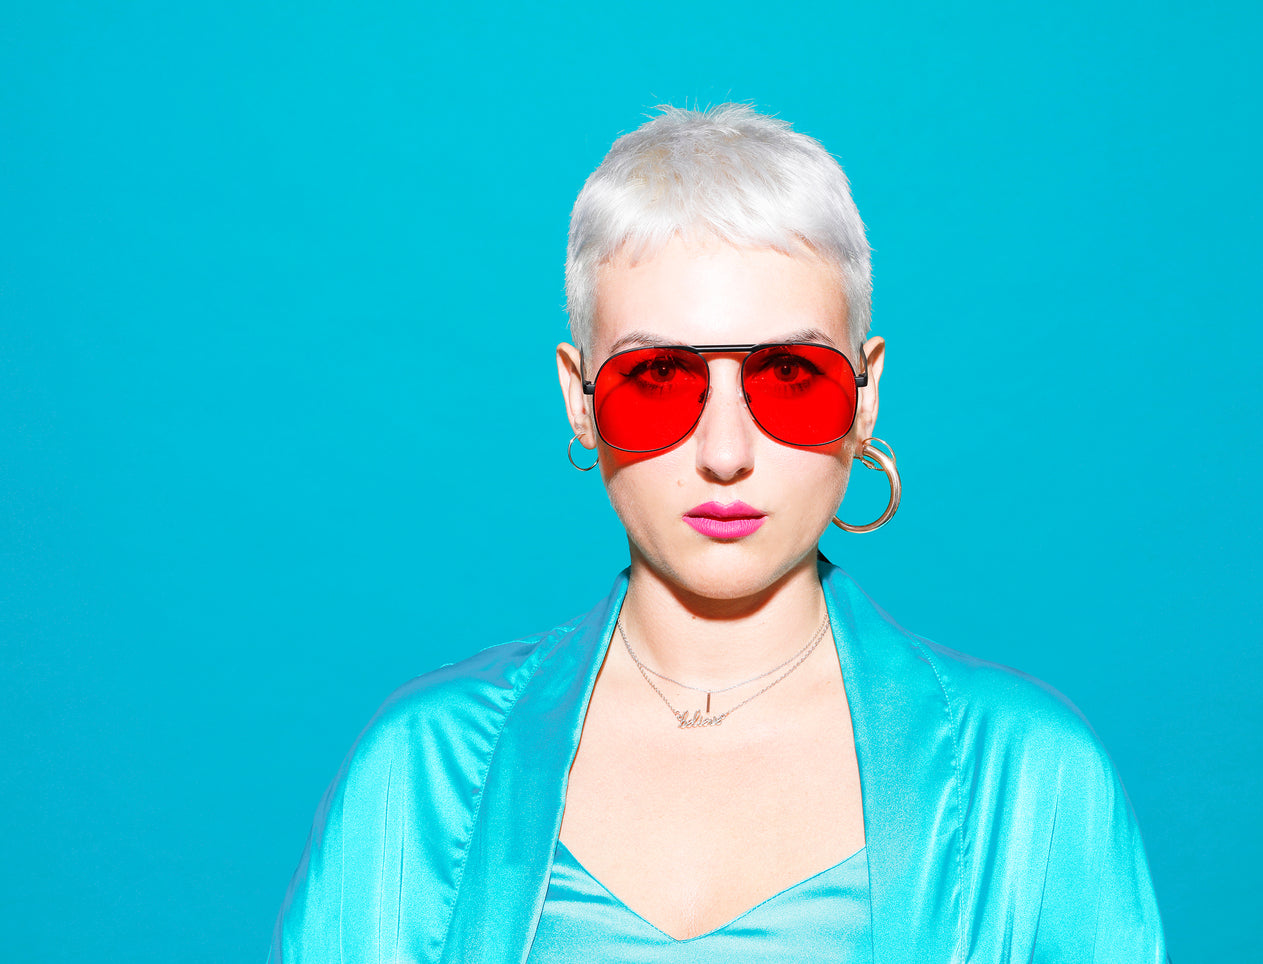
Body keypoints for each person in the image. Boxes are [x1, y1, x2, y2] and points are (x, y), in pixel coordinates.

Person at [271, 104, 1167, 963]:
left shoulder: (1031, 780)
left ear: (865, 396)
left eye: (791, 376)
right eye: (657, 378)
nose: (725, 452)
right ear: (579, 399)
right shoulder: (423, 771)